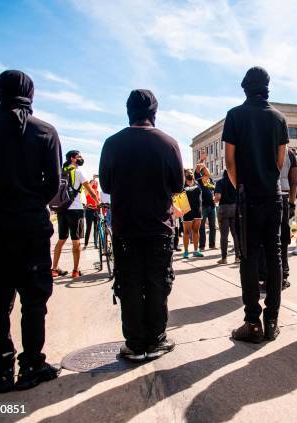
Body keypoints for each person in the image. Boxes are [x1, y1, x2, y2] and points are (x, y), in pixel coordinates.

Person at [0, 70, 62, 392]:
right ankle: (32, 363)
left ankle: (2, 369)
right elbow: (53, 183)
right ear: (30, 94)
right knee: (34, 298)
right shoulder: (45, 131)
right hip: (32, 224)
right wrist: (33, 201)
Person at [99, 89, 183, 362]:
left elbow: (106, 185)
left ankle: (135, 343)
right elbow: (179, 185)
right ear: (154, 113)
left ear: (128, 111)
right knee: (158, 282)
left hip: (127, 226)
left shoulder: (112, 143)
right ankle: (156, 339)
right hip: (159, 225)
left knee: (130, 283)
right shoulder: (168, 143)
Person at [223, 66, 287, 343]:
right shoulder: (279, 118)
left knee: (248, 257)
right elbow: (280, 160)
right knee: (273, 256)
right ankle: (272, 319)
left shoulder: (235, 115)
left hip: (247, 196)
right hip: (273, 195)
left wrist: (240, 187)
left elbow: (228, 161)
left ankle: (252, 323)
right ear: (267, 87)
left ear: (245, 87)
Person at [51, 150, 99, 278]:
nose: (81, 158)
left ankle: (54, 269)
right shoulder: (78, 171)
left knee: (61, 239)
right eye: (79, 157)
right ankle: (75, 270)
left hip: (62, 209)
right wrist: (97, 202)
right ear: (72, 158)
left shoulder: (61, 171)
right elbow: (89, 189)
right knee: (76, 241)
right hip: (75, 209)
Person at [278, 147, 297, 285]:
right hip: (284, 197)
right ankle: (284, 273)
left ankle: (264, 275)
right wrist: (291, 204)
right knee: (283, 238)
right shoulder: (289, 153)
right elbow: (294, 182)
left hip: (265, 196)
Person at [215, 169, 240, 264]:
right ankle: (237, 257)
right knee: (236, 234)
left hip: (224, 209)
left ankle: (224, 258)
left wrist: (214, 200)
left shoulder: (220, 182)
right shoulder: (236, 181)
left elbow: (218, 197)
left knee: (224, 235)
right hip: (235, 208)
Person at [183, 170, 203, 259]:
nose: (190, 174)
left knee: (196, 231)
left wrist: (201, 164)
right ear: (185, 175)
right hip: (187, 211)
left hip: (197, 211)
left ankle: (196, 251)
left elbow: (207, 175)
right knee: (187, 232)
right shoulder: (182, 186)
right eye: (188, 173)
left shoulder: (198, 183)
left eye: (191, 173)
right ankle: (186, 251)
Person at [198, 173, 216, 251]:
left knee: (213, 226)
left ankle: (212, 244)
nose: (207, 175)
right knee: (202, 227)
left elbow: (214, 190)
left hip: (212, 206)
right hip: (203, 207)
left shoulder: (211, 181)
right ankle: (202, 246)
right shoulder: (199, 181)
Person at [83, 177, 100, 249]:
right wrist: (93, 179)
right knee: (88, 228)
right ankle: (86, 244)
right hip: (89, 210)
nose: (95, 183)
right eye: (94, 183)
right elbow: (89, 186)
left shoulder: (97, 192)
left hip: (96, 210)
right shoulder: (87, 191)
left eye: (96, 183)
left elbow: (99, 202)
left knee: (96, 228)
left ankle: (96, 243)